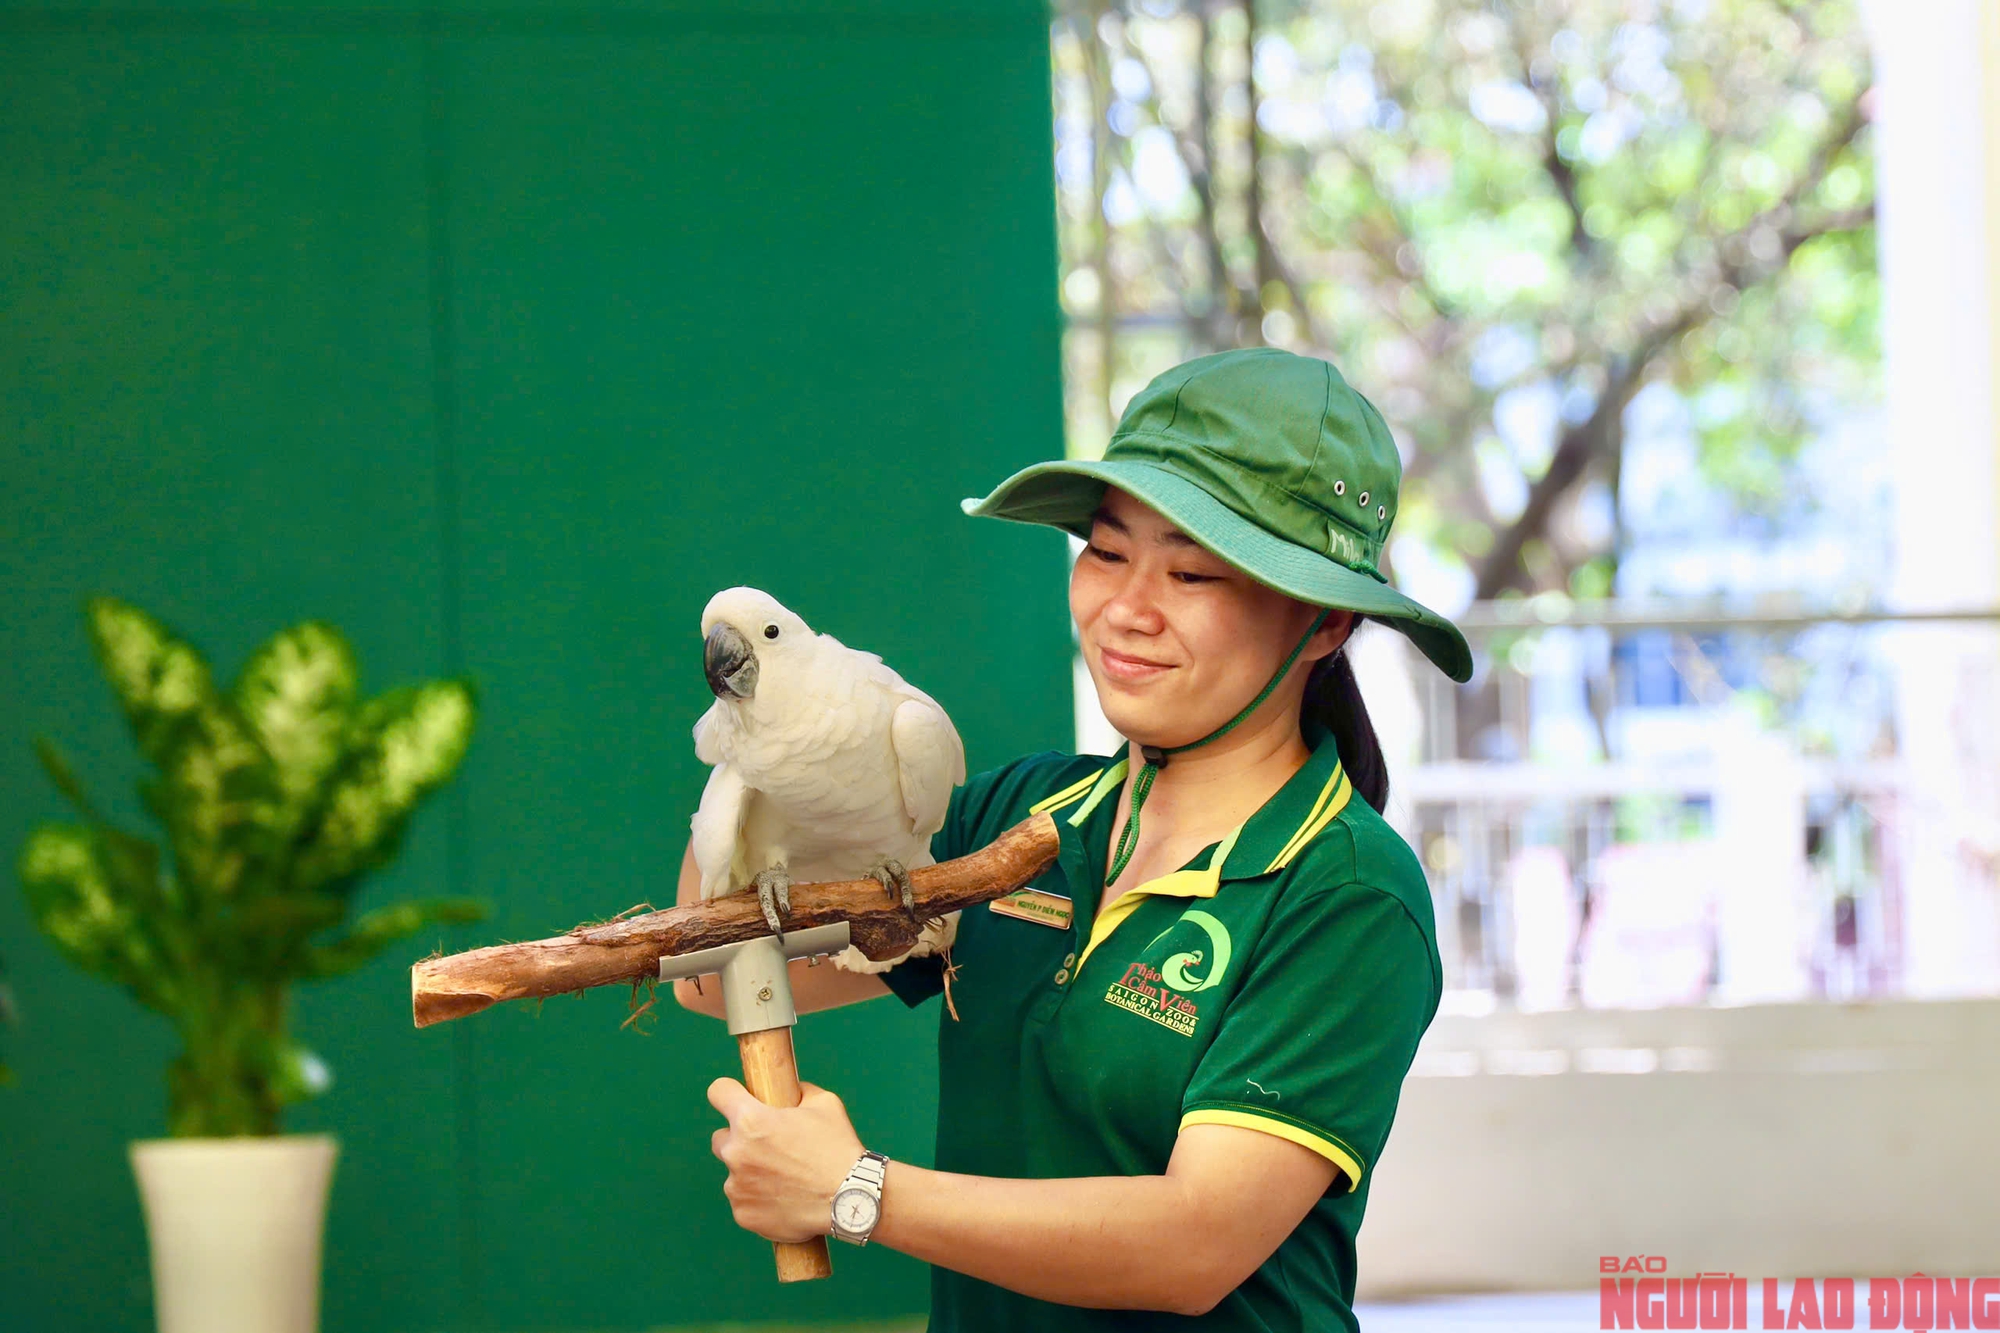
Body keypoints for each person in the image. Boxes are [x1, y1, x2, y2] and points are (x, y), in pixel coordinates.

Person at [674, 347, 1473, 1331]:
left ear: (1319, 625)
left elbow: (1195, 1244)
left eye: (1190, 570)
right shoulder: (1017, 815)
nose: (1124, 609)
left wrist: (858, 1188)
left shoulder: (1343, 892)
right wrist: (760, 743)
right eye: (1103, 551)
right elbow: (711, 976)